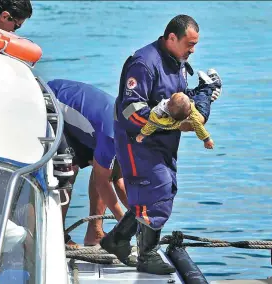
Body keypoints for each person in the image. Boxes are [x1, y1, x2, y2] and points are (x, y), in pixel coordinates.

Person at [100, 14, 222, 275]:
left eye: (195, 45)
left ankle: (118, 240)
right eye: (190, 44)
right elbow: (131, 110)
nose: (193, 50)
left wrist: (204, 95)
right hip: (138, 140)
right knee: (158, 190)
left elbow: (177, 101)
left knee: (157, 192)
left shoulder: (177, 61)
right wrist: (177, 125)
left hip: (162, 142)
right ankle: (147, 255)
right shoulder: (144, 64)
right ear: (171, 38)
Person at [47, 79, 130, 249]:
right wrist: (123, 222)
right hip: (51, 101)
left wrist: (140, 217)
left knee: (104, 167)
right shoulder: (112, 135)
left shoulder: (133, 135)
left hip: (86, 122)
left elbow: (118, 180)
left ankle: (95, 232)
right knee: (67, 170)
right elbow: (102, 181)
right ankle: (58, 237)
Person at [136, 92, 215, 149]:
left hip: (166, 125)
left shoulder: (159, 112)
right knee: (201, 97)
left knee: (153, 122)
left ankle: (207, 92)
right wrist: (207, 140)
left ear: (169, 103)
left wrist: (142, 134)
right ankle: (209, 90)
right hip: (177, 124)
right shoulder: (192, 114)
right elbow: (199, 127)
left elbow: (151, 125)